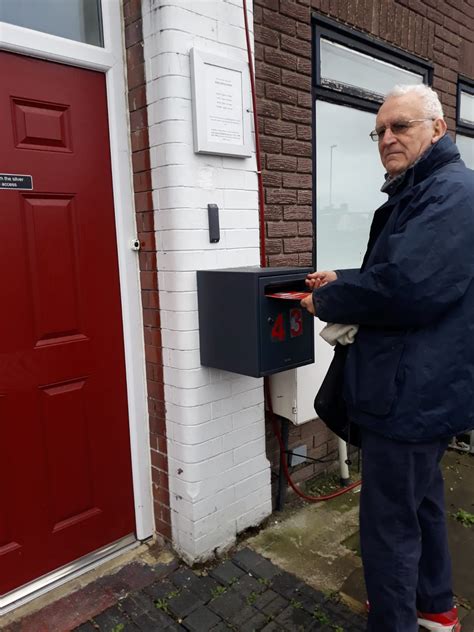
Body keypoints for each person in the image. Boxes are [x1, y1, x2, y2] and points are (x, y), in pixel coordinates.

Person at [301, 84, 474, 632]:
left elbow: (409, 286)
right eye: (379, 130)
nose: (387, 138)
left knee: (387, 525)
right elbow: (406, 272)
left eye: (400, 126)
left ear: (438, 128)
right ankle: (435, 607)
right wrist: (346, 279)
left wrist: (326, 298)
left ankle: (396, 621)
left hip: (406, 392)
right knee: (419, 502)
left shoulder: (451, 193)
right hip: (423, 387)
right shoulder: (427, 191)